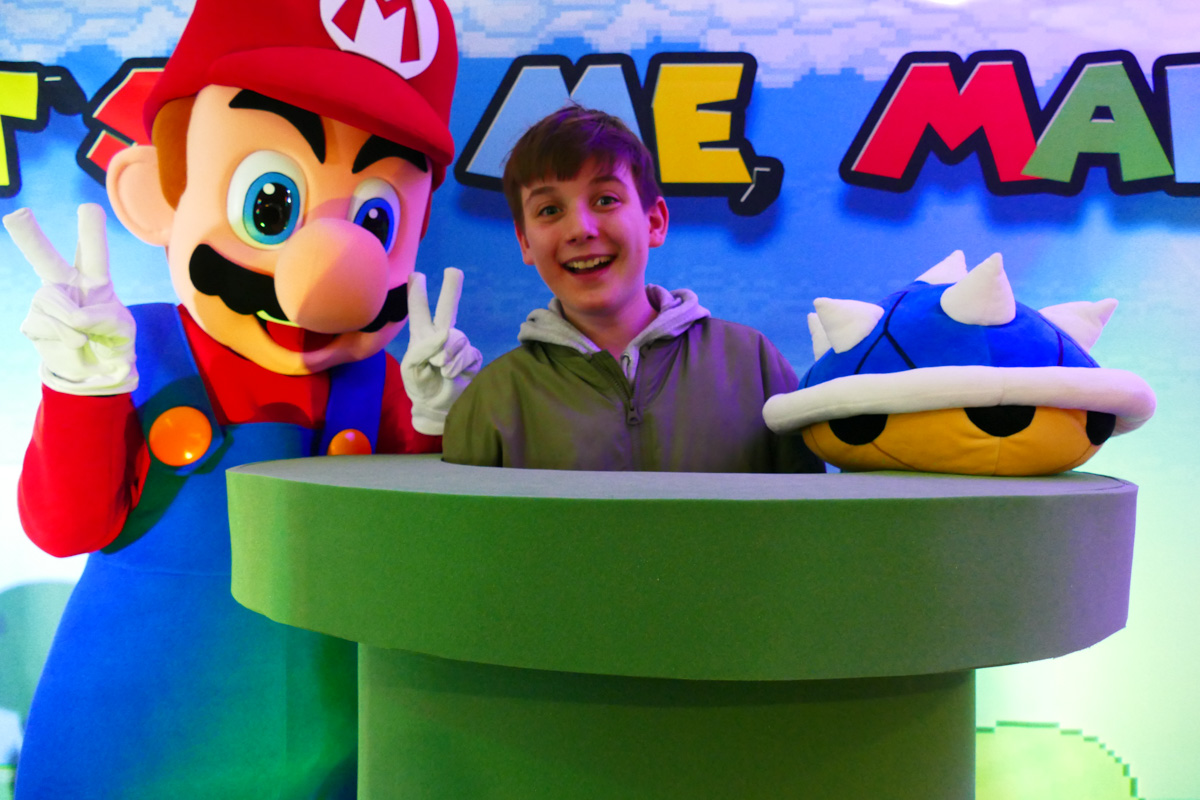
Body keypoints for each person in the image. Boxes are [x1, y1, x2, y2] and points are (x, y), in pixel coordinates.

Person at [3, 0, 476, 796]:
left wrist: (432, 433)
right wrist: (81, 392)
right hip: (130, 740)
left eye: (376, 219)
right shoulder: (129, 348)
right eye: (272, 205)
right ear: (157, 192)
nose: (335, 267)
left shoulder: (378, 382)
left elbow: (413, 559)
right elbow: (65, 527)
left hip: (325, 742)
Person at [443, 106, 822, 474]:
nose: (580, 229)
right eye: (549, 210)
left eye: (605, 200)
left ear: (654, 221)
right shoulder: (493, 397)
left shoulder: (752, 363)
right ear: (525, 242)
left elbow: (808, 510)